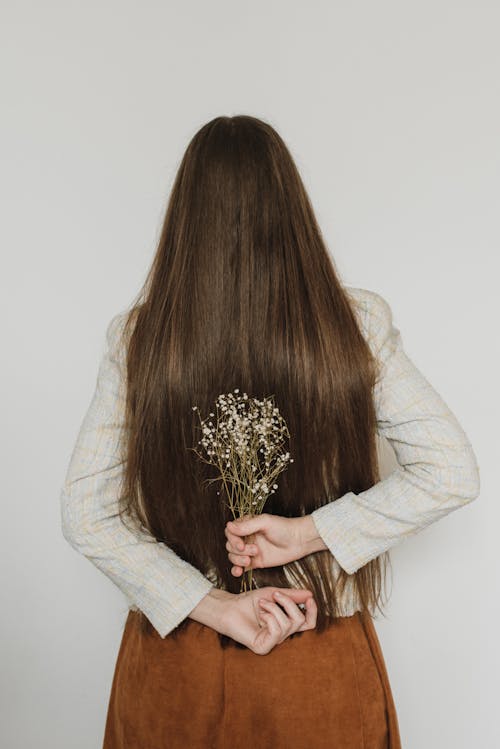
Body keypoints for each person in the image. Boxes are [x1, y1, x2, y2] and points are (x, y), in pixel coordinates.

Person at [59, 115, 480, 749]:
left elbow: (88, 515)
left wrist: (213, 604)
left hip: (176, 662)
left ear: (184, 218)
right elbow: (449, 472)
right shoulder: (354, 324)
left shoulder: (141, 339)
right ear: (292, 210)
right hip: (318, 654)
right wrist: (306, 536)